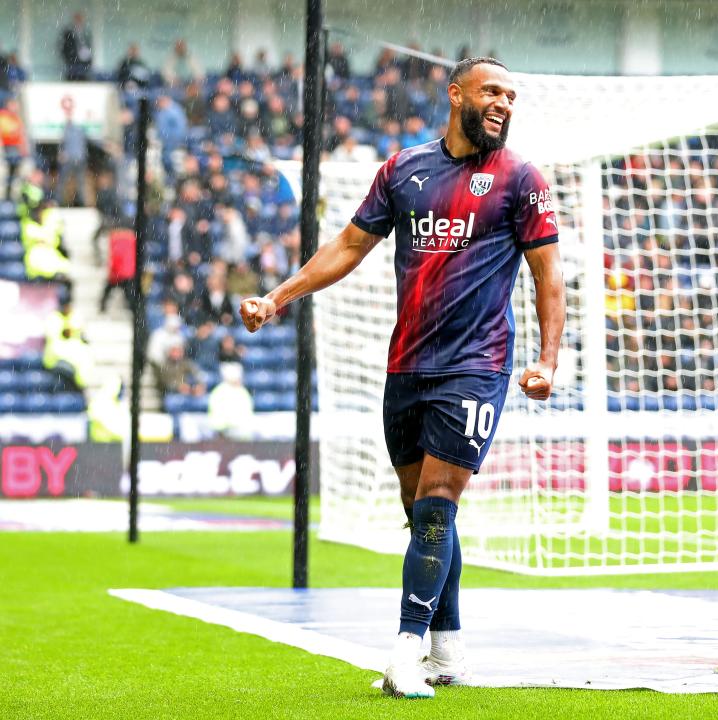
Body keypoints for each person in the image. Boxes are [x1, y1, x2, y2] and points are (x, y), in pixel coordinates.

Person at [239, 57, 565, 699]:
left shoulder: (521, 178)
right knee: (422, 513)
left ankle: (405, 653)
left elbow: (547, 276)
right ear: (456, 95)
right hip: (407, 365)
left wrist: (548, 360)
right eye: (491, 91)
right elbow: (348, 247)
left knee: (440, 503)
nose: (503, 103)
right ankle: (449, 651)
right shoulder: (404, 170)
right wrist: (278, 298)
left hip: (476, 364)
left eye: (511, 95)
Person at [60, 12, 93, 81]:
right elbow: (65, 49)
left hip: (84, 66)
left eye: (80, 19)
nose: (79, 21)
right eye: (77, 19)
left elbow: (89, 48)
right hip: (72, 65)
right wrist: (71, 59)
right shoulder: (68, 33)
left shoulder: (86, 33)